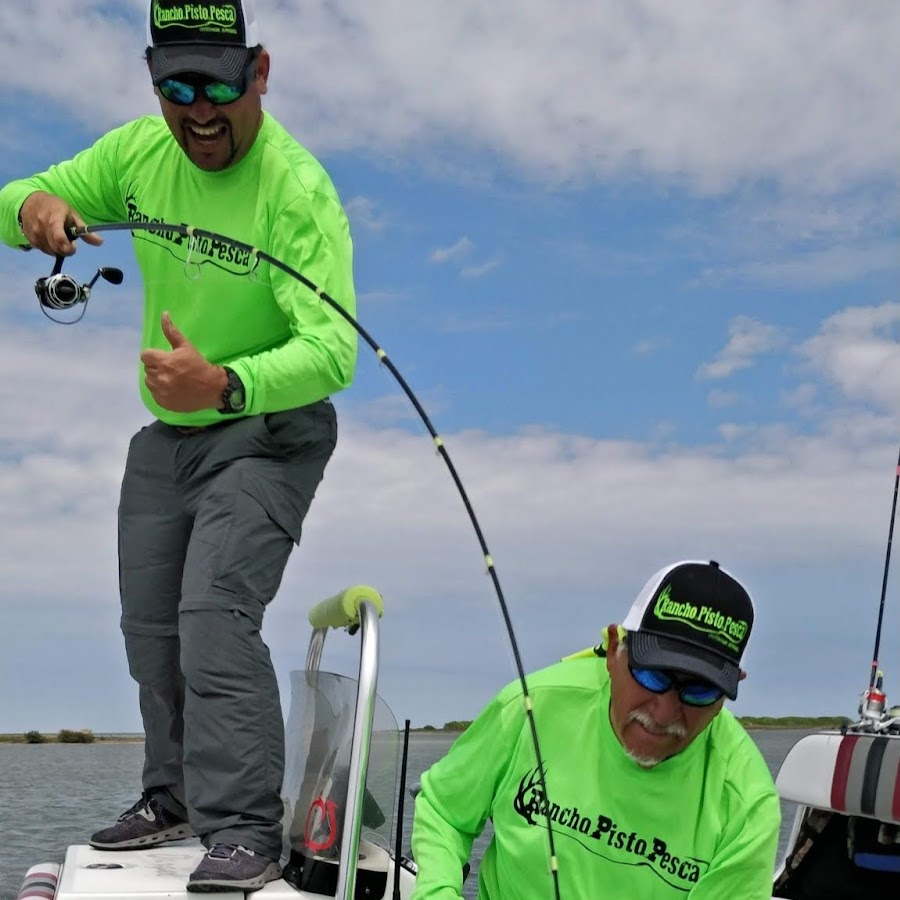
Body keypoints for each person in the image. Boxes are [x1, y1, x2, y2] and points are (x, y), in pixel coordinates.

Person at [0, 0, 356, 892]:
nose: (199, 109)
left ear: (259, 73)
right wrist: (34, 206)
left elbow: (333, 351)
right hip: (171, 435)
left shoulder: (296, 190)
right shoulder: (134, 155)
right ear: (153, 80)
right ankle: (174, 795)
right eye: (177, 86)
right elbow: (11, 201)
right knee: (151, 629)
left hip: (270, 429)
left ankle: (244, 828)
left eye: (220, 85)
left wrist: (226, 384)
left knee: (213, 617)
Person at [411, 560, 781, 899]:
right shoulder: (531, 706)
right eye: (652, 676)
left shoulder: (747, 803)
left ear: (728, 691)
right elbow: (445, 811)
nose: (666, 712)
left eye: (699, 690)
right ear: (615, 650)